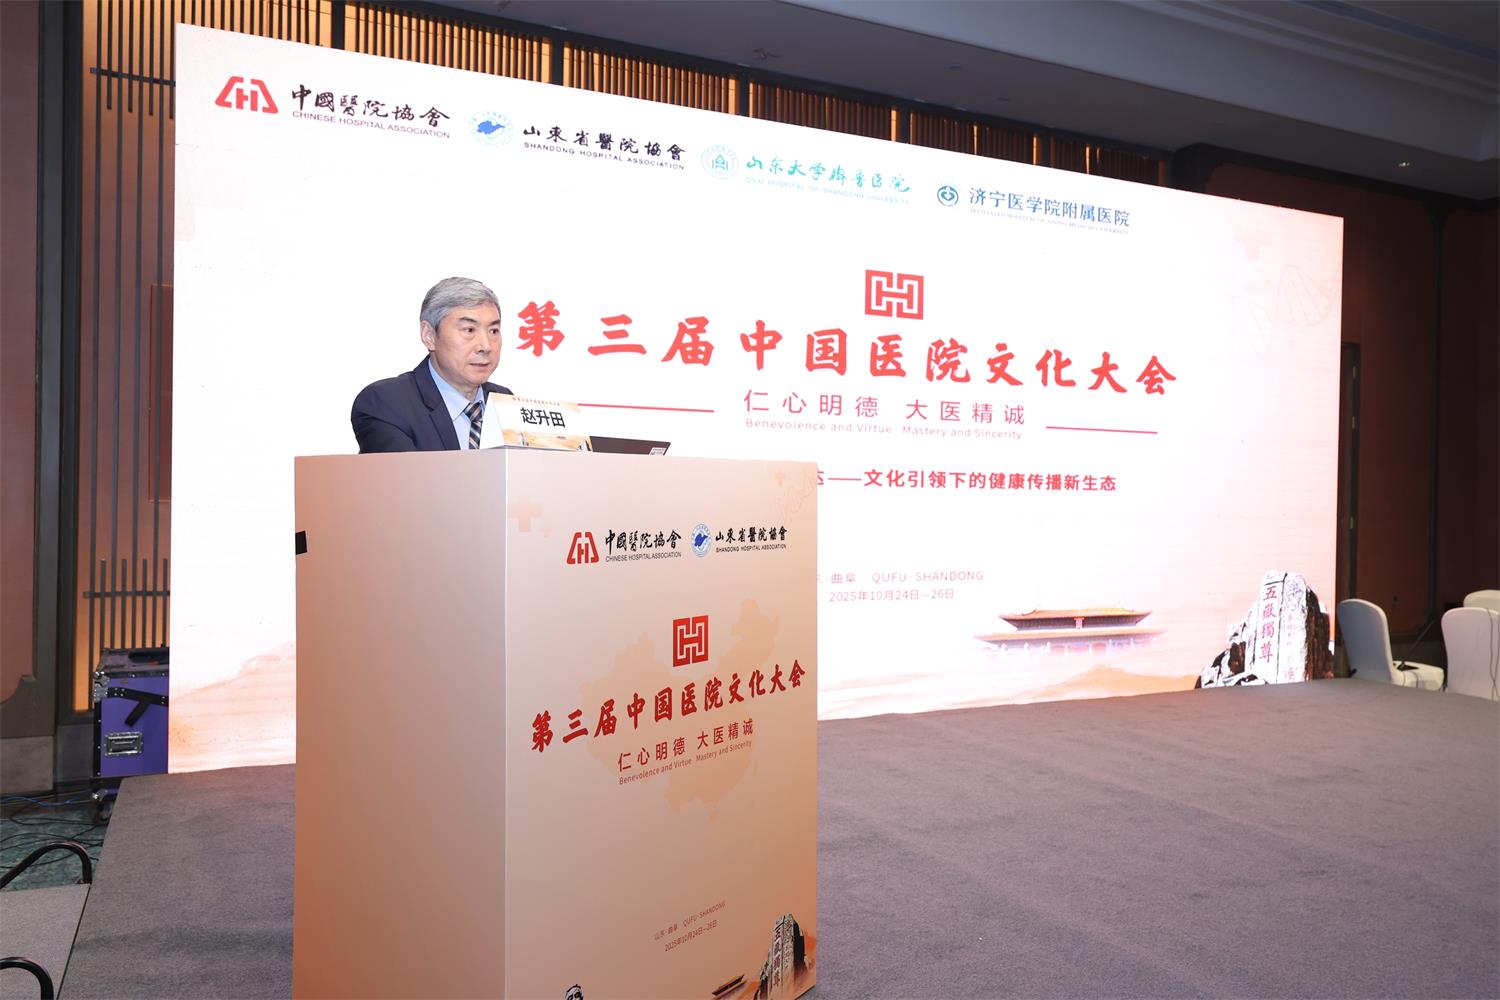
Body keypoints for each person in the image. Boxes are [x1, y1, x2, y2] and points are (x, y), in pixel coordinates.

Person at [351, 277, 513, 453]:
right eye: (469, 330)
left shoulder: (505, 403)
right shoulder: (387, 404)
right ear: (429, 335)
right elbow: (406, 472)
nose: (486, 346)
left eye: (493, 331)